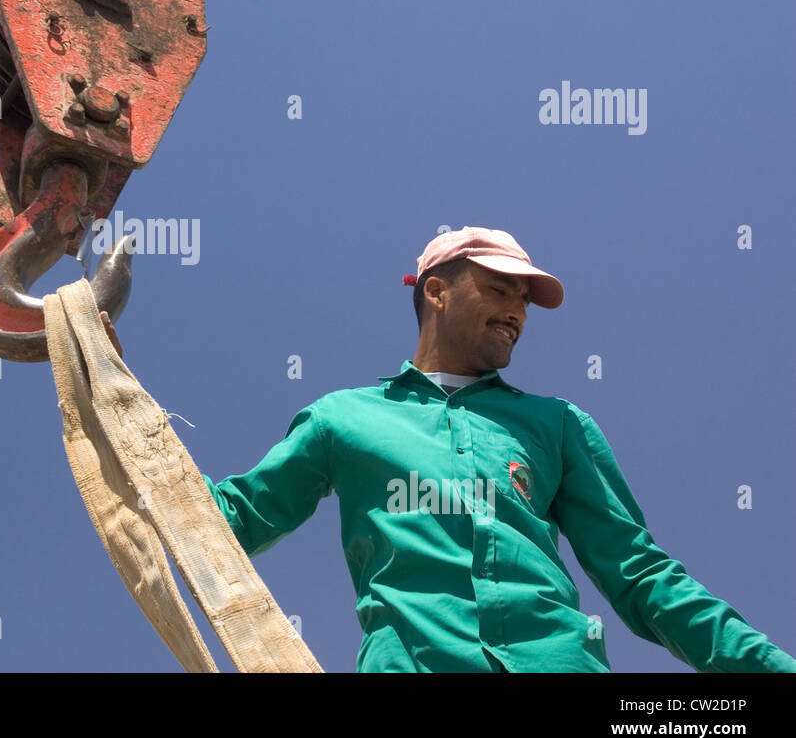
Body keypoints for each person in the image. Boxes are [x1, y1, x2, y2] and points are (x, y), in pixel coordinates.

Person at [101, 226, 796, 672]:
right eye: (499, 290)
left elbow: (640, 576)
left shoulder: (558, 426)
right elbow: (226, 524)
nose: (517, 312)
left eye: (525, 300)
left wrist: (763, 667)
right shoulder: (343, 420)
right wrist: (108, 388)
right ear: (437, 291)